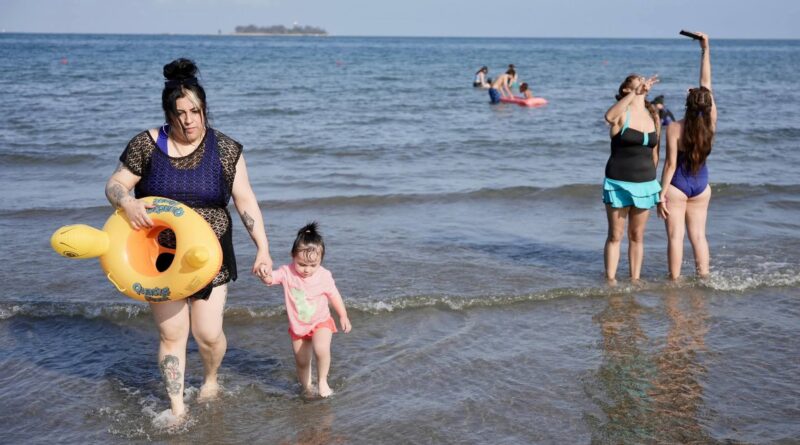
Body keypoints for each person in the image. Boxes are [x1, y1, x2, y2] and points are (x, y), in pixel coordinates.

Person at [105, 58, 273, 419]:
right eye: (179, 113)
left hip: (210, 255)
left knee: (208, 333)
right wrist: (127, 202)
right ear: (169, 113)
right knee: (172, 333)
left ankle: (211, 378)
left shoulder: (227, 150)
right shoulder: (146, 144)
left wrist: (263, 249)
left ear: (204, 109)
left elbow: (245, 200)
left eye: (195, 111)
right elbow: (115, 184)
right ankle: (177, 407)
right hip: (159, 254)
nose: (188, 120)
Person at [263, 222, 351, 398]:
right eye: (302, 264)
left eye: (313, 265)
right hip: (298, 327)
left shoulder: (324, 275)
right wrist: (264, 273)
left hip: (321, 321)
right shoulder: (287, 272)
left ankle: (323, 381)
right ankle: (306, 387)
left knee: (321, 349)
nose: (307, 270)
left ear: (320, 260)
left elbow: (334, 295)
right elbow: (270, 279)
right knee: (302, 361)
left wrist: (343, 315)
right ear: (292, 256)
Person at [657, 32, 716, 280]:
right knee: (699, 237)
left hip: (677, 186)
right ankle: (704, 278)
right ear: (707, 105)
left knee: (675, 237)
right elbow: (707, 84)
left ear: (688, 104)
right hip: (702, 185)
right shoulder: (711, 122)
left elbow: (670, 164)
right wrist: (706, 49)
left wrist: (660, 195)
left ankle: (675, 281)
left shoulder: (674, 128)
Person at [602, 73, 661, 283]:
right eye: (637, 79)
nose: (643, 80)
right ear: (626, 88)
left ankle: (635, 281)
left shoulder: (653, 115)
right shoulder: (621, 113)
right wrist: (634, 94)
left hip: (646, 185)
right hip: (618, 182)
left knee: (637, 237)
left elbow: (655, 154)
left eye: (643, 78)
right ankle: (610, 282)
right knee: (615, 236)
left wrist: (657, 190)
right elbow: (608, 117)